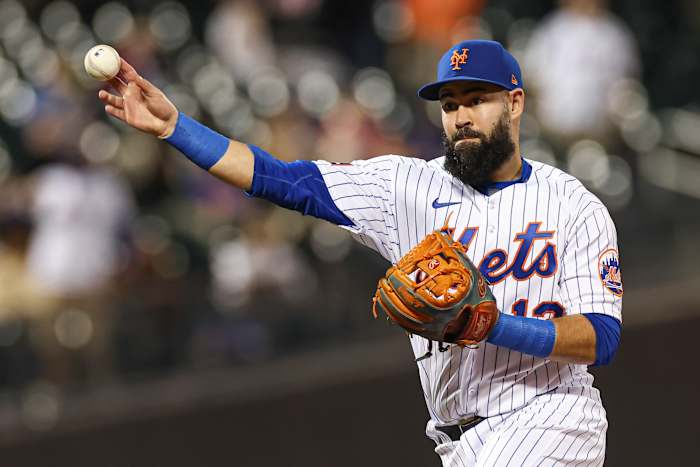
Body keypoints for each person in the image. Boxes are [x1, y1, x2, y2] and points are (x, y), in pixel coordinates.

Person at [97, 39, 622, 466]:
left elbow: (601, 337)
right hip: (458, 441)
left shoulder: (573, 206)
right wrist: (174, 127)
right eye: (450, 104)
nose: (461, 116)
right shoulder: (405, 187)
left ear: (514, 102)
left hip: (551, 420)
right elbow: (282, 180)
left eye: (476, 99)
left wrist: (494, 327)